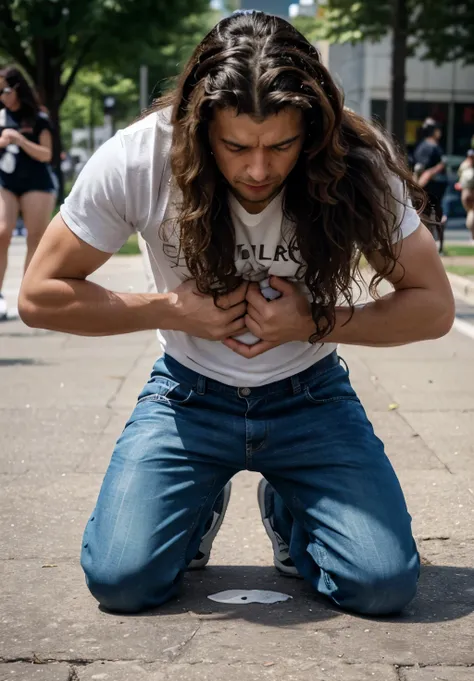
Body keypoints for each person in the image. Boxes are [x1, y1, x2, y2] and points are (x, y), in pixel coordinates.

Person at [19, 11, 454, 617]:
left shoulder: (357, 162)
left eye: (281, 145)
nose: (258, 169)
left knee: (382, 586)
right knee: (122, 582)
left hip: (310, 396)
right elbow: (39, 294)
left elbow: (433, 307)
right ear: (199, 129)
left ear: (313, 128)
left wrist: (315, 321)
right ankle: (199, 503)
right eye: (235, 146)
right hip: (189, 396)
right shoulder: (141, 155)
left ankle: (290, 502)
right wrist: (173, 309)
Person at [0, 66, 56, 320]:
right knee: (2, 232)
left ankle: (28, 295)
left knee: (36, 239)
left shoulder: (38, 118)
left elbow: (46, 154)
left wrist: (20, 141)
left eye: (5, 89)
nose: (2, 94)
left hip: (35, 181)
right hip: (5, 181)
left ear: (17, 89)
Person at [413, 121, 448, 254]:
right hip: (431, 187)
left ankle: (431, 246)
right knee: (432, 216)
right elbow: (422, 168)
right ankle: (431, 246)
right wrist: (437, 169)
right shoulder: (429, 146)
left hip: (429, 188)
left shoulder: (422, 145)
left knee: (429, 216)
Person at [456, 149, 474, 242]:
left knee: (470, 213)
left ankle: (472, 236)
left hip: (466, 191)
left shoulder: (464, 164)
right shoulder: (465, 165)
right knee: (471, 212)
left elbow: (459, 177)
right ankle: (472, 236)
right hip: (468, 191)